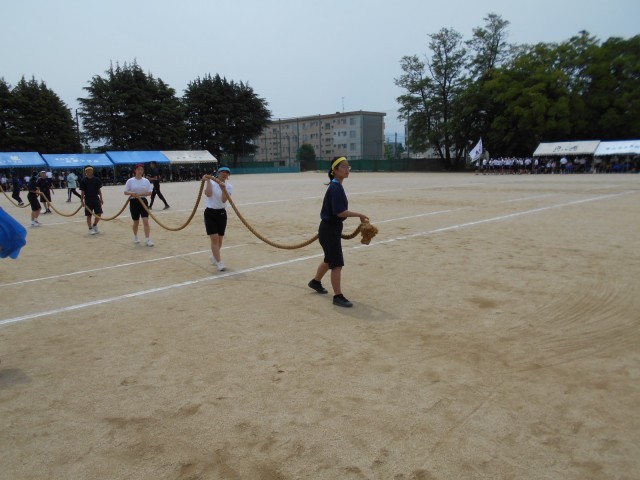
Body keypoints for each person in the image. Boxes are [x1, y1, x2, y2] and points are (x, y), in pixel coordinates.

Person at [308, 156, 369, 308]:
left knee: (329, 259)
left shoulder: (336, 186)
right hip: (329, 230)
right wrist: (359, 215)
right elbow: (340, 212)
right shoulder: (335, 188)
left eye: (348, 166)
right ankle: (338, 296)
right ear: (335, 170)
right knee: (337, 264)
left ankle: (315, 282)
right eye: (343, 166)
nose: (347, 169)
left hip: (329, 229)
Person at [202, 166, 233, 271]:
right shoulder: (211, 182)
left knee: (220, 239)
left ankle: (214, 256)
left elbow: (224, 200)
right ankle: (219, 262)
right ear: (218, 173)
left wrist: (223, 188)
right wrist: (208, 181)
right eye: (223, 172)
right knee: (214, 238)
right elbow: (208, 194)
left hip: (221, 214)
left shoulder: (229, 186)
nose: (225, 174)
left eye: (227, 173)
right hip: (210, 213)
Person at [124, 163, 154, 246]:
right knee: (136, 221)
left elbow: (149, 192)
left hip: (143, 201)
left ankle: (147, 239)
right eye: (138, 169)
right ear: (135, 170)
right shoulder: (130, 181)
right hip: (134, 202)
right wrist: (132, 193)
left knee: (145, 220)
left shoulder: (146, 181)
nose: (140, 171)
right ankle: (136, 236)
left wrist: (139, 194)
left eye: (141, 169)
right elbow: (125, 192)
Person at [79, 166, 104, 235]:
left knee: (99, 213)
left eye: (90, 170)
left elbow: (99, 190)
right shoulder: (83, 180)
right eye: (88, 170)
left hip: (96, 198)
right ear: (86, 172)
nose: (89, 171)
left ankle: (94, 225)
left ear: (92, 171)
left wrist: (101, 198)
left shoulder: (96, 179)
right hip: (88, 199)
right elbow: (82, 191)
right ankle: (90, 228)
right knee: (89, 215)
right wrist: (82, 201)